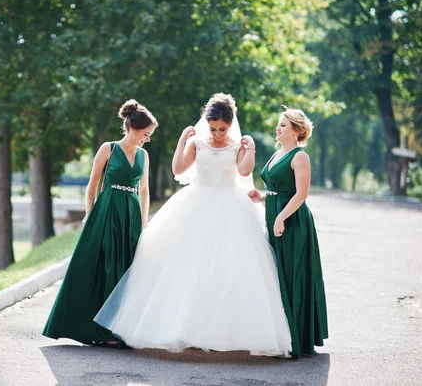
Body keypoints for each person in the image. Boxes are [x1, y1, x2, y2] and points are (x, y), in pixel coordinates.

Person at [94, 93, 291, 356]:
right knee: (190, 266)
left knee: (227, 266)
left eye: (222, 129)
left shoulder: (237, 145)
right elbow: (178, 169)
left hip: (230, 207)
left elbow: (244, 172)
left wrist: (251, 148)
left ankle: (220, 330)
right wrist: (181, 142)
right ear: (206, 124)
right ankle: (186, 329)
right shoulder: (197, 143)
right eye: (213, 128)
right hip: (196, 203)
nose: (218, 133)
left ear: (230, 125)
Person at [42, 99, 158, 346]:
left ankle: (118, 329)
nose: (147, 139)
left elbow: (145, 189)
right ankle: (97, 330)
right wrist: (89, 213)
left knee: (126, 267)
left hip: (132, 213)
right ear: (134, 129)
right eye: (146, 134)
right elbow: (93, 184)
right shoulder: (108, 148)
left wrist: (144, 221)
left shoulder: (144, 155)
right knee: (102, 265)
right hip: (106, 210)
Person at [248, 106, 328, 357]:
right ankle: (282, 335)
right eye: (279, 124)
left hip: (293, 222)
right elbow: (276, 189)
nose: (278, 128)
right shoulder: (276, 153)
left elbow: (301, 194)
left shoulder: (299, 156)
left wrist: (281, 218)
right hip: (276, 218)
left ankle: (298, 339)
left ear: (296, 131)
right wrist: (260, 197)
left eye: (283, 125)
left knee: (293, 274)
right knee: (277, 275)